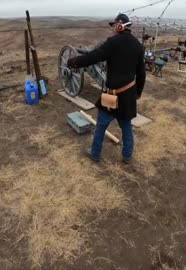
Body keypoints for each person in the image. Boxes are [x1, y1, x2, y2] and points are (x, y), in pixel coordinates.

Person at [67, 13, 146, 163]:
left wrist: (74, 61)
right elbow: (141, 73)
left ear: (120, 26)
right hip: (128, 94)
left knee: (101, 125)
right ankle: (127, 156)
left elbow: (94, 56)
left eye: (113, 26)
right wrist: (138, 92)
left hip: (111, 95)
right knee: (126, 127)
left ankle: (95, 153)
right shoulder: (138, 45)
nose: (112, 29)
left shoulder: (113, 42)